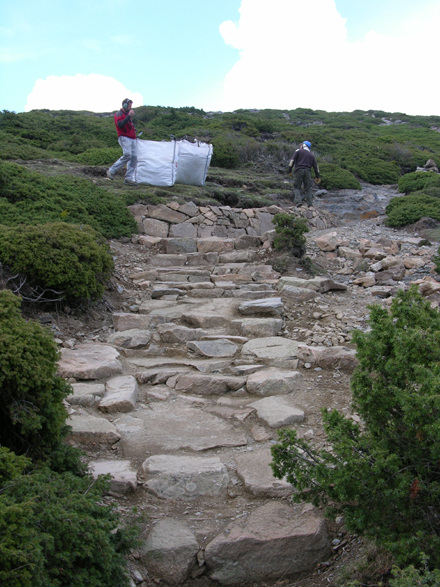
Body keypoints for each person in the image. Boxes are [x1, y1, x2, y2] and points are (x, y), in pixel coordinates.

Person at [107, 98, 138, 185]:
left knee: (134, 157)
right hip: (124, 137)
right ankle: (111, 170)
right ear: (124, 105)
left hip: (132, 138)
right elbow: (120, 124)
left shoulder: (127, 115)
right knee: (128, 155)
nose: (130, 107)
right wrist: (129, 116)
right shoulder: (119, 114)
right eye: (129, 105)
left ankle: (128, 178)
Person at [288, 141, 320, 207]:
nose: (300, 146)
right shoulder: (311, 155)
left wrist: (289, 171)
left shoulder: (298, 151)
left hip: (299, 170)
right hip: (307, 172)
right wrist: (317, 176)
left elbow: (292, 161)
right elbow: (316, 167)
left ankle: (298, 201)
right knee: (308, 188)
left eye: (301, 145)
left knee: (296, 187)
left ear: (304, 145)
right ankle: (310, 205)